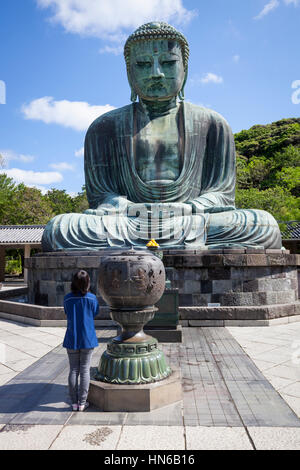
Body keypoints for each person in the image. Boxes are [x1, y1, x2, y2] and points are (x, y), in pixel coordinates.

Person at [42, 21, 282, 251]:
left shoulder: (213, 125)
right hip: (129, 222)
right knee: (61, 229)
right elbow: (101, 196)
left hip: (190, 220)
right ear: (129, 73)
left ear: (184, 69)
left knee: (262, 225)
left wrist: (187, 209)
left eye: (167, 62)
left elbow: (222, 194)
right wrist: (129, 208)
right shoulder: (104, 127)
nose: (156, 73)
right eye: (144, 65)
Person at [63, 270, 99, 411]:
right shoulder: (92, 298)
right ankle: (83, 403)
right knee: (84, 370)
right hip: (87, 338)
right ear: (88, 283)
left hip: (72, 337)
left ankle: (74, 403)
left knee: (73, 370)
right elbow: (95, 313)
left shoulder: (67, 298)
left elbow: (66, 312)